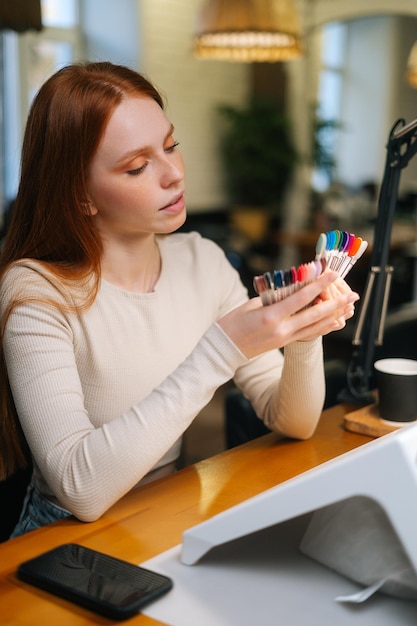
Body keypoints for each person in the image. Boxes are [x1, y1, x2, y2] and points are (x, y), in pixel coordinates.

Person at [0, 61, 359, 538]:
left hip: (163, 514)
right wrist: (220, 350)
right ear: (81, 195)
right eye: (137, 166)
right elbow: (77, 488)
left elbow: (291, 420)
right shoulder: (35, 290)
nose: (173, 174)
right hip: (59, 537)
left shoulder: (201, 261)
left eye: (171, 145)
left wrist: (302, 330)